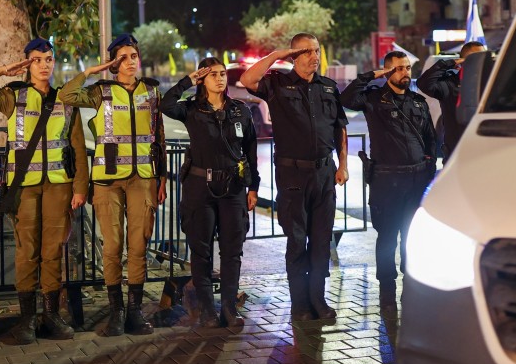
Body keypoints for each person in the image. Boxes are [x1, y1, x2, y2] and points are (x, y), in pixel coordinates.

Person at [0, 38, 88, 344]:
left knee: (52, 252)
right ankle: (27, 320)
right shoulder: (12, 96)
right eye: (36, 59)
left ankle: (51, 316)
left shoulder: (65, 99)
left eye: (48, 59)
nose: (44, 65)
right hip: (24, 188)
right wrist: (4, 71)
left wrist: (80, 187)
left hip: (59, 186)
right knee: (27, 253)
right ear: (27, 63)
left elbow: (78, 147)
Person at [59, 34, 165, 336]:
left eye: (134, 56)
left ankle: (134, 313)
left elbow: (159, 137)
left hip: (143, 178)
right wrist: (93, 71)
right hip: (107, 180)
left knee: (139, 245)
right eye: (123, 58)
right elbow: (66, 96)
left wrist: (162, 177)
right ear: (113, 63)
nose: (130, 62)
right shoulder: (100, 91)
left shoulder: (152, 90)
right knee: (113, 246)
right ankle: (116, 312)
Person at [240, 33, 349, 323]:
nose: (315, 56)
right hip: (293, 175)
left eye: (316, 51)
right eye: (308, 52)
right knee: (298, 240)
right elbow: (247, 80)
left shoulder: (328, 87)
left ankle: (318, 299)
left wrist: (343, 165)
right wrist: (277, 54)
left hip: (325, 173)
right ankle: (299, 303)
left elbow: (340, 128)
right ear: (295, 56)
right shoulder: (278, 83)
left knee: (322, 239)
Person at [161, 57, 260, 328]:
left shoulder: (240, 110)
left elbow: (250, 150)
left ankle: (229, 307)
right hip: (199, 188)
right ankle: (207, 310)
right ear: (203, 80)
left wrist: (254, 187)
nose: (219, 78)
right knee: (201, 251)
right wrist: (187, 81)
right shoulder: (192, 109)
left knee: (232, 250)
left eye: (222, 73)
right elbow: (165, 103)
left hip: (233, 189)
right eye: (212, 74)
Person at [341, 51, 436, 313]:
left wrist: (429, 167)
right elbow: (347, 98)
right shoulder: (374, 99)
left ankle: (410, 288)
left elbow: (431, 138)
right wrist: (371, 76)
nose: (405, 72)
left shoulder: (418, 102)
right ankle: (386, 293)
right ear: (387, 72)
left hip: (417, 180)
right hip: (387, 180)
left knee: (411, 237)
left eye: (407, 68)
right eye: (399, 68)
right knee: (387, 238)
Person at [416, 41, 487, 160]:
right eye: (477, 58)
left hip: (484, 153)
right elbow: (424, 83)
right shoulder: (449, 84)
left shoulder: (490, 83)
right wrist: (448, 64)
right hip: (457, 155)